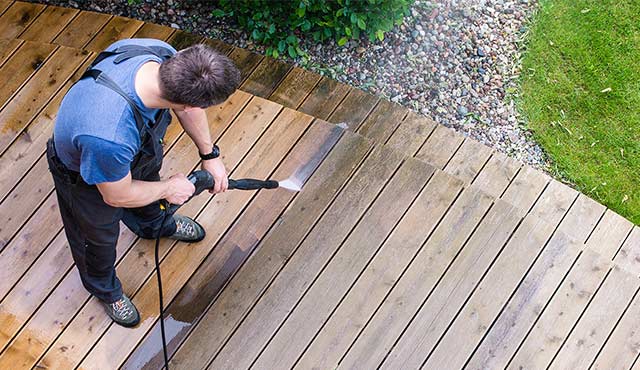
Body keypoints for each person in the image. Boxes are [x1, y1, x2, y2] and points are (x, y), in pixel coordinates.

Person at [45, 38, 241, 327]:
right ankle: (105, 289)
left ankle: (153, 226)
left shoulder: (163, 55)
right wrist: (169, 189)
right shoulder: (109, 135)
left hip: (135, 154)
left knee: (151, 194)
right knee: (97, 240)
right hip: (86, 178)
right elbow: (117, 195)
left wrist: (209, 154)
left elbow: (188, 109)